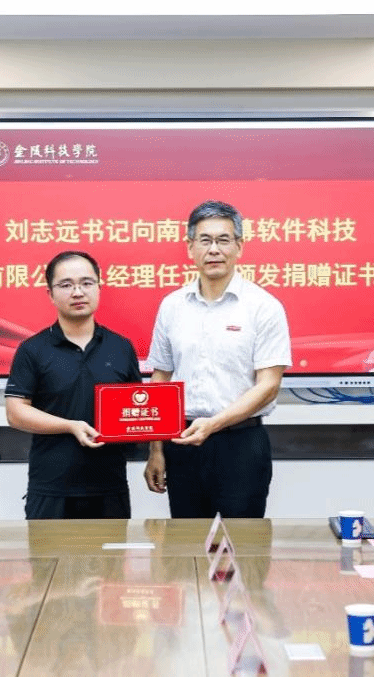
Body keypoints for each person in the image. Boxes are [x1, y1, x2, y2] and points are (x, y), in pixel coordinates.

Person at [143, 200, 291, 518]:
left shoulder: (263, 307)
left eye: (223, 240)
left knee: (241, 542)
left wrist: (214, 423)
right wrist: (156, 449)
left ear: (239, 246)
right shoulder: (172, 306)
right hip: (181, 442)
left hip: (241, 444)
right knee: (186, 541)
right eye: (205, 240)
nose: (214, 250)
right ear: (190, 248)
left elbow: (269, 385)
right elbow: (161, 379)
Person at [4, 251, 141, 519]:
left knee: (111, 549)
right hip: (51, 488)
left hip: (109, 487)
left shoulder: (121, 347)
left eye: (87, 283)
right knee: (47, 549)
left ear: (99, 288)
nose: (78, 292)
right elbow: (15, 412)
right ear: (50, 294)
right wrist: (70, 426)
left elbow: (136, 408)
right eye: (66, 285)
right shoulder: (32, 349)